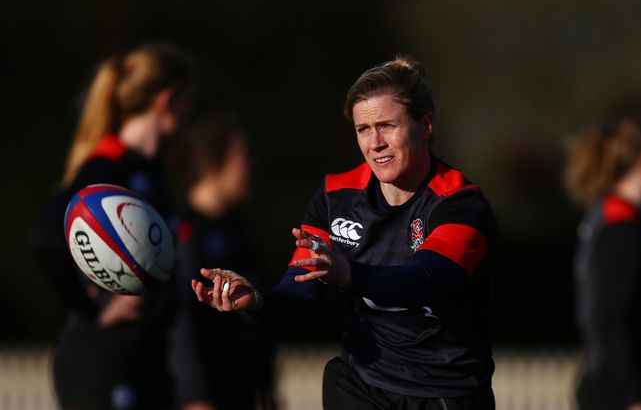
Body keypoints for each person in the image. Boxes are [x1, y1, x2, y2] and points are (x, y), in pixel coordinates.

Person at [192, 55, 497, 409]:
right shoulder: (335, 196)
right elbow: (300, 292)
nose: (375, 143)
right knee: (339, 374)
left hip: (443, 391)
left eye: (388, 125)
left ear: (425, 125)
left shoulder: (460, 204)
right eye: (363, 129)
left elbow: (424, 279)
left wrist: (348, 273)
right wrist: (258, 300)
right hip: (362, 383)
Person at [29, 44, 194, 410]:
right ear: (167, 100)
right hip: (104, 361)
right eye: (187, 102)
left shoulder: (150, 171)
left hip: (146, 358)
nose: (189, 113)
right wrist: (95, 309)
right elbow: (44, 235)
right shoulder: (107, 168)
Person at [565, 114, 641, 410]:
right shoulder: (620, 223)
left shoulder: (623, 218)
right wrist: (634, 394)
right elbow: (608, 317)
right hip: (618, 394)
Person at [168, 115, 278, 410]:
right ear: (213, 164)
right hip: (205, 397)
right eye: (242, 157)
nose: (251, 166)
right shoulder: (180, 231)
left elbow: (260, 317)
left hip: (244, 394)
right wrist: (195, 397)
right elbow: (181, 322)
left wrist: (266, 385)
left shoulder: (242, 231)